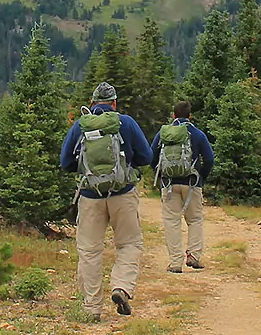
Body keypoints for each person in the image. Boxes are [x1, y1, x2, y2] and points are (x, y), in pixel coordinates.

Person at [60, 81, 153, 321]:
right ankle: (121, 287)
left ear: (92, 103)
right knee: (129, 244)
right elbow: (146, 156)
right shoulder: (127, 123)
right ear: (114, 103)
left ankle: (92, 308)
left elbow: (65, 162)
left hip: (90, 197)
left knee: (90, 251)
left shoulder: (81, 125)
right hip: (123, 195)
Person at [150, 100, 215, 273]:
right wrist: (201, 177)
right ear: (190, 116)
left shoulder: (164, 133)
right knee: (194, 220)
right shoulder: (197, 134)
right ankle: (193, 256)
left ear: (174, 115)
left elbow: (151, 157)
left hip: (169, 184)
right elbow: (209, 159)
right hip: (192, 183)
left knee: (172, 222)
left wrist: (162, 174)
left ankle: (175, 263)